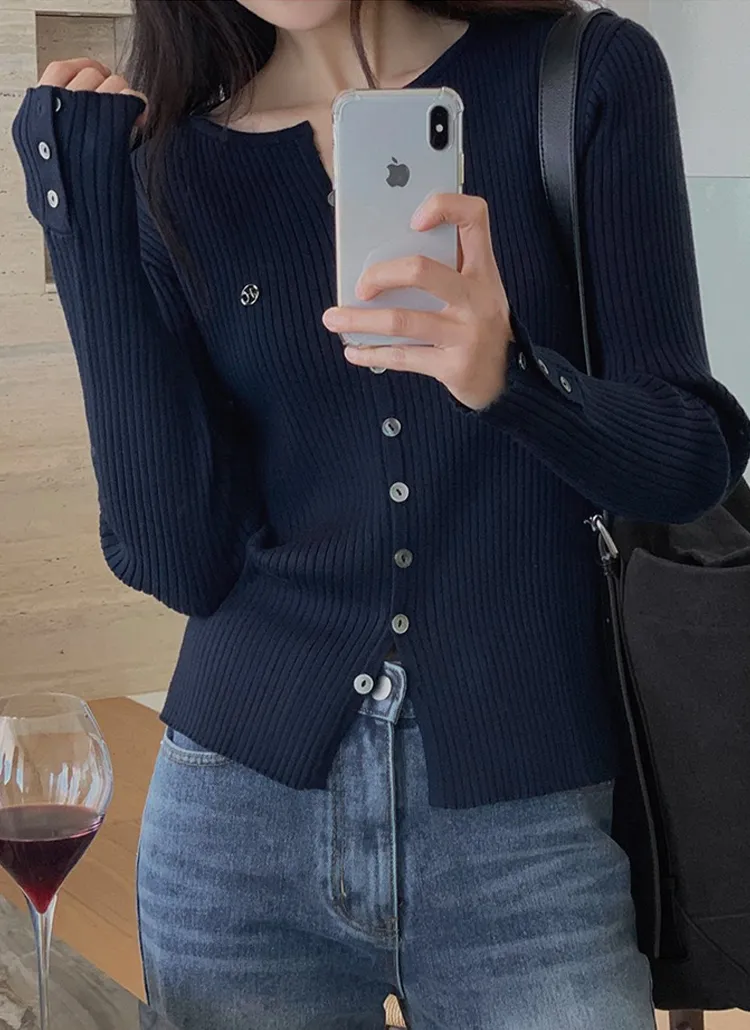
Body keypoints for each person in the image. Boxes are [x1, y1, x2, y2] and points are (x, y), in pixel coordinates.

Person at [12, 1, 750, 1028]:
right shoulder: (171, 163)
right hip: (235, 832)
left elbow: (688, 462)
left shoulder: (580, 75)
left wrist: (511, 377)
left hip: (528, 828)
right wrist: (83, 224)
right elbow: (176, 557)